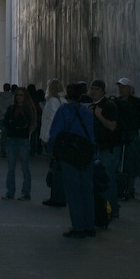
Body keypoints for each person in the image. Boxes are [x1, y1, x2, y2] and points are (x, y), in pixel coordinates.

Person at [49, 82, 96, 238]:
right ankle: (90, 225)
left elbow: (56, 132)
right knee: (87, 190)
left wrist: (54, 151)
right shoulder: (87, 111)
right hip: (86, 154)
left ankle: (78, 226)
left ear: (68, 95)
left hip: (70, 155)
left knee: (73, 192)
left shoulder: (64, 110)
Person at [87, 78, 121, 219]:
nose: (93, 91)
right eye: (92, 88)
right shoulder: (91, 106)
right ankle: (104, 208)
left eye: (97, 89)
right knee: (101, 178)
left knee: (106, 179)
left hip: (109, 149)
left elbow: (112, 126)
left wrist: (99, 116)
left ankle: (112, 209)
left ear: (103, 91)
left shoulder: (109, 106)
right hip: (98, 148)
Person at [1, 87, 36, 200]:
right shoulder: (11, 109)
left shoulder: (28, 110)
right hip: (11, 139)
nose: (19, 97)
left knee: (24, 167)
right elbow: (6, 123)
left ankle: (26, 192)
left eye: (21, 95)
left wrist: (20, 126)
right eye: (17, 95)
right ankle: (10, 192)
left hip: (22, 140)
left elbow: (28, 124)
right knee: (11, 167)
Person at [116, 77, 140, 200]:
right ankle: (120, 187)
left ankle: (129, 188)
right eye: (120, 87)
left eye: (123, 87)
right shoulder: (116, 102)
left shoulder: (137, 102)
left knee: (131, 162)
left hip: (132, 134)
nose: (121, 89)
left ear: (130, 89)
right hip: (119, 135)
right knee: (119, 162)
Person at [39, 78, 66, 207]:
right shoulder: (64, 101)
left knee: (55, 168)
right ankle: (60, 195)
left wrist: (44, 137)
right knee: (60, 168)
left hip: (53, 138)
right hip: (63, 138)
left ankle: (56, 197)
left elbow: (49, 121)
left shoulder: (51, 102)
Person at [0, 83, 13, 157]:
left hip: (1, 117)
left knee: (3, 134)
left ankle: (3, 150)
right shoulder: (12, 97)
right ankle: (10, 150)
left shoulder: (0, 97)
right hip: (10, 118)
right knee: (10, 135)